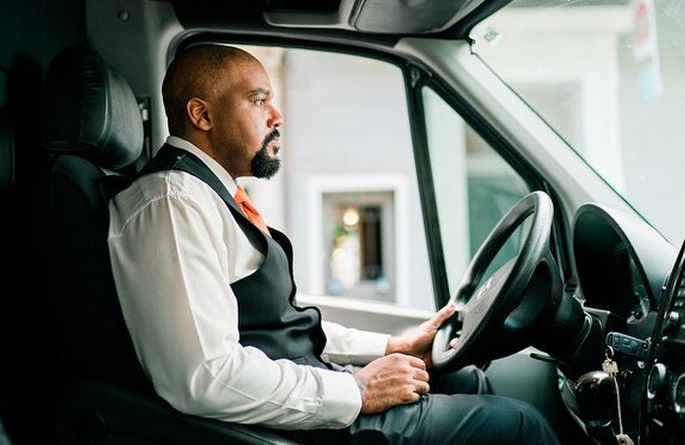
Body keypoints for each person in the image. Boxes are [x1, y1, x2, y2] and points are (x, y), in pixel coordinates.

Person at [107, 44, 559, 443]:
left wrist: (391, 348)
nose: (277, 116)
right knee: (519, 425)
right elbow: (204, 375)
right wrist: (357, 390)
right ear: (202, 115)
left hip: (305, 392)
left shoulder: (209, 194)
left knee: (463, 379)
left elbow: (274, 326)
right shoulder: (171, 202)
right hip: (287, 425)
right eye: (258, 100)